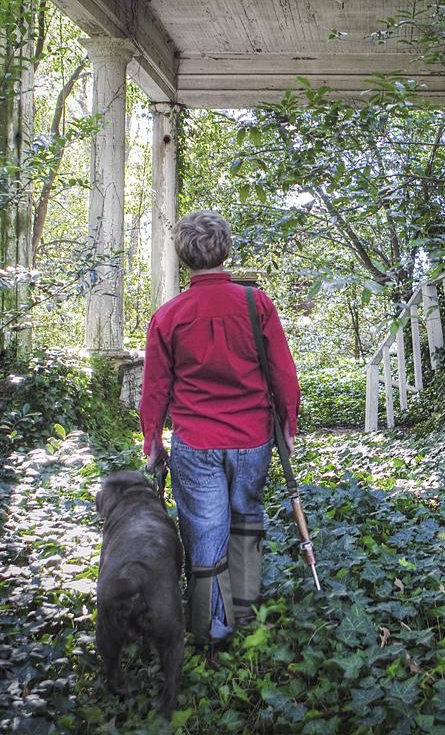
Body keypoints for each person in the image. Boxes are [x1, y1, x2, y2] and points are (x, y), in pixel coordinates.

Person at [139, 210, 300, 647]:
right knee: (246, 515)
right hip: (253, 438)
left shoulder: (169, 316)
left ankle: (213, 628)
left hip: (196, 442)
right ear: (226, 250)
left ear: (183, 257)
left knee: (204, 528)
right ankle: (246, 609)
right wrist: (289, 422)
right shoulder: (257, 304)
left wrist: (152, 440)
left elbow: (155, 388)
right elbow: (283, 372)